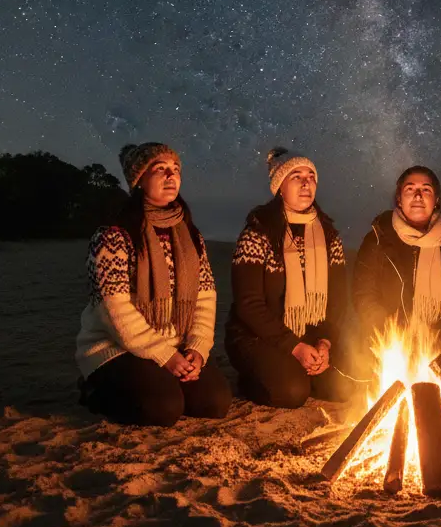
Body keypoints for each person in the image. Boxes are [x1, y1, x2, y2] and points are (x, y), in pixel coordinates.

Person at [75, 143, 232, 426]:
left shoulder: (190, 235)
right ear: (139, 180)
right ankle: (96, 390)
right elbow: (115, 310)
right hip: (118, 346)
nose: (170, 176)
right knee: (163, 408)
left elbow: (205, 298)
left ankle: (157, 381)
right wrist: (164, 355)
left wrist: (197, 348)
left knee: (215, 403)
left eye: (175, 170)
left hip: (176, 344)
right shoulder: (114, 235)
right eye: (160, 169)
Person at [225, 147, 351, 408]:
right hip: (258, 337)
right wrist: (294, 347)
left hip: (311, 336)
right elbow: (249, 305)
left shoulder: (328, 236)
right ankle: (253, 379)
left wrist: (325, 344)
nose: (306, 183)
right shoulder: (258, 233)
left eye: (311, 176)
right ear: (279, 187)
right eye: (296, 177)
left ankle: (306, 369)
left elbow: (338, 300)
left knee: (350, 384)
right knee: (292, 392)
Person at [353, 165, 441, 355]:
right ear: (399, 198)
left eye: (426, 190)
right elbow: (363, 295)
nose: (418, 196)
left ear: (436, 200)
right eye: (410, 189)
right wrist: (396, 333)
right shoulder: (378, 238)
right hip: (389, 347)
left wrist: (438, 334)